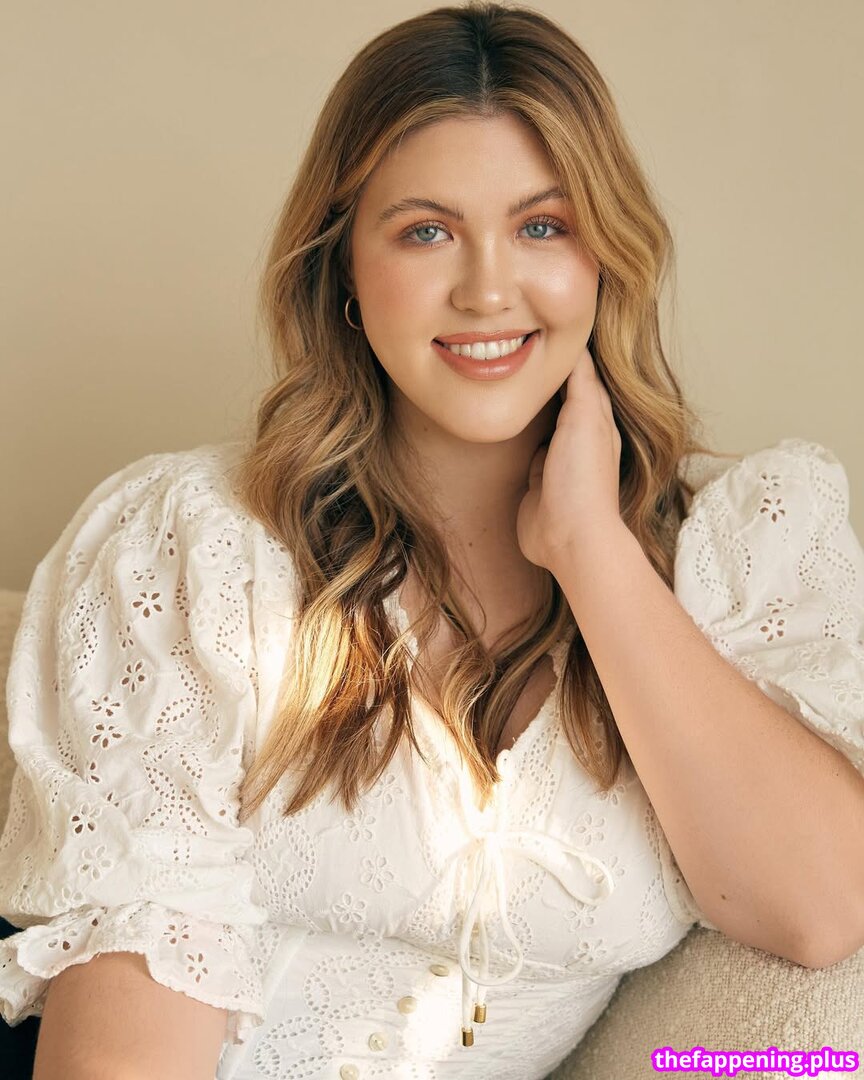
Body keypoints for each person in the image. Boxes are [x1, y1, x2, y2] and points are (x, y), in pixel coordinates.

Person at [1, 3, 863, 1078]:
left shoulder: (741, 548)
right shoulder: (193, 547)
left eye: (543, 226)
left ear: (607, 255)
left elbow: (821, 909)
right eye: (426, 231)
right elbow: (121, 1047)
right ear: (343, 270)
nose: (489, 289)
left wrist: (592, 548)